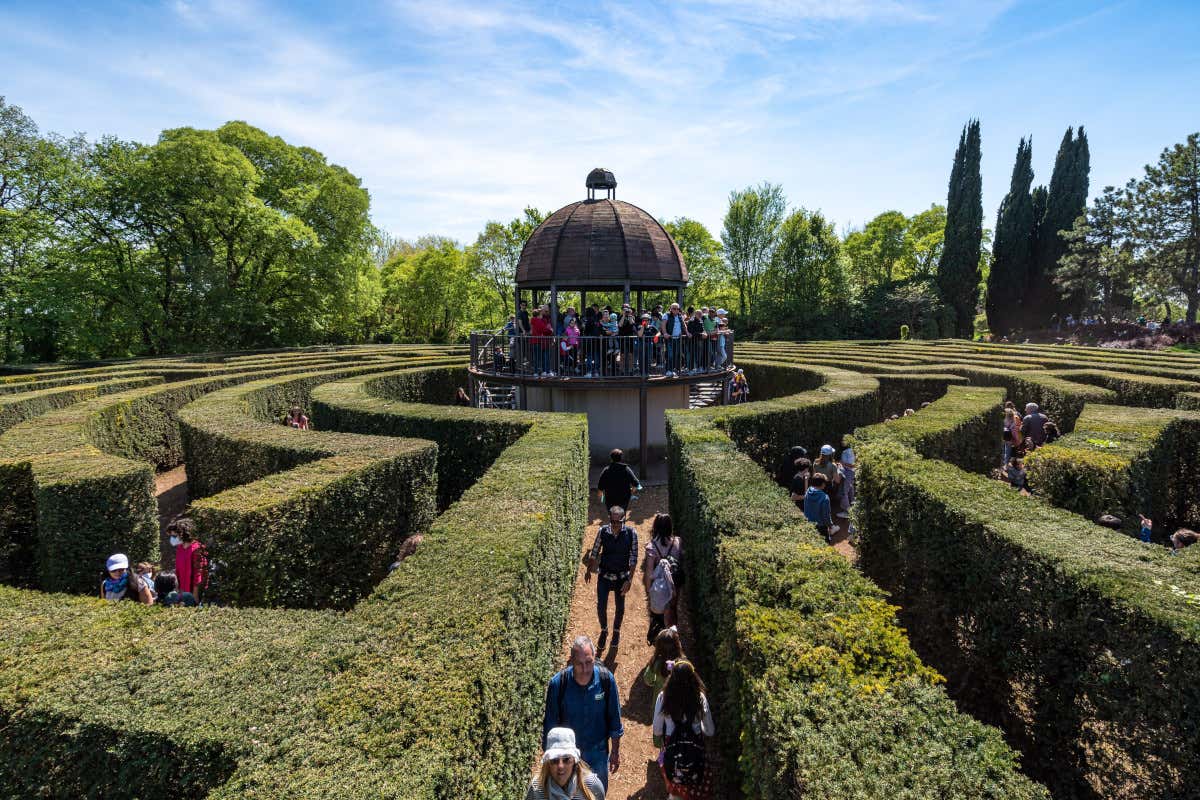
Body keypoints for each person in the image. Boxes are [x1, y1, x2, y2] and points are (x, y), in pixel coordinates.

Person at [543, 635, 623, 789]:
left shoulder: (607, 680)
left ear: (595, 658)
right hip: (567, 757)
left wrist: (615, 752)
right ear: (571, 660)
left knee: (596, 793)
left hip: (598, 754)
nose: (585, 669)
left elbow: (615, 719)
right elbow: (550, 728)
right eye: (580, 664)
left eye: (589, 662)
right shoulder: (558, 685)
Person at [652, 659, 715, 800]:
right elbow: (710, 731)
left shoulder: (663, 697)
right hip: (695, 752)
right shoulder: (700, 698)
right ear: (694, 677)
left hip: (673, 751)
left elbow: (657, 730)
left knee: (676, 794)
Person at [586, 506, 639, 653]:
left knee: (619, 607)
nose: (615, 524)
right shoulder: (603, 531)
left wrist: (629, 580)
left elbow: (634, 558)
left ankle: (616, 631)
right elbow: (595, 551)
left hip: (621, 577)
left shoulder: (632, 533)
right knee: (601, 606)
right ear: (609, 519)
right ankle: (604, 630)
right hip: (604, 575)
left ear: (624, 520)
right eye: (612, 521)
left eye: (619, 522)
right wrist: (588, 569)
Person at [527, 727, 606, 800]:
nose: (560, 766)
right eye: (554, 760)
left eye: (566, 759)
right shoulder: (536, 788)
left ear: (574, 760)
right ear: (548, 762)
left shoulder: (591, 785)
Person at [643, 512, 683, 638]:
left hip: (659, 586)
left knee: (658, 614)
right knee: (672, 609)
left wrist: (648, 591)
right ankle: (673, 636)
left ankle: (661, 638)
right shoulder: (678, 542)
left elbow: (649, 571)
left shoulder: (652, 547)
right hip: (674, 584)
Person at [168, 517, 208, 603]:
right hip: (182, 590)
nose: (172, 538)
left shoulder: (197, 549)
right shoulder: (180, 548)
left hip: (194, 592)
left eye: (174, 536)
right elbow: (178, 569)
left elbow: (198, 574)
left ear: (183, 534)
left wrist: (195, 595)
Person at [643, 626, 683, 695]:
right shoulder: (682, 663)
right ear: (678, 646)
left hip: (660, 700)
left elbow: (648, 680)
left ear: (658, 647)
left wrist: (655, 682)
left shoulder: (657, 662)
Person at [803, 473, 834, 542]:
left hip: (808, 523)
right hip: (821, 527)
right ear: (823, 484)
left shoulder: (808, 491)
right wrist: (830, 525)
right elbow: (826, 515)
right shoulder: (825, 498)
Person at [836, 448, 856, 518]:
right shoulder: (850, 450)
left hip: (848, 472)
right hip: (849, 472)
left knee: (844, 492)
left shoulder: (848, 451)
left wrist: (841, 464)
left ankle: (847, 512)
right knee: (850, 489)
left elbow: (852, 465)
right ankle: (852, 507)